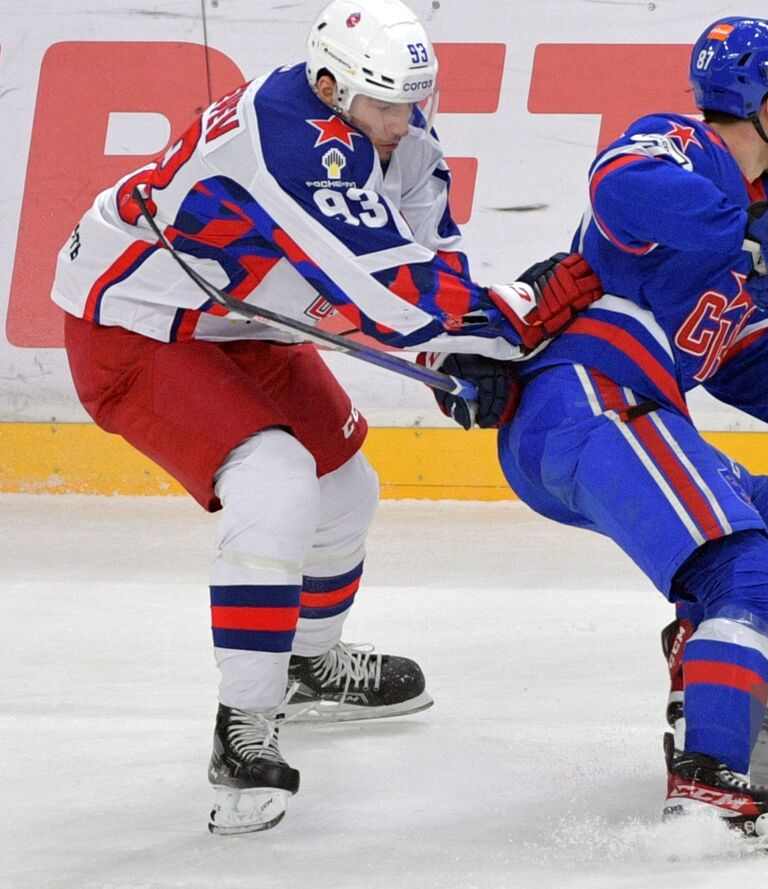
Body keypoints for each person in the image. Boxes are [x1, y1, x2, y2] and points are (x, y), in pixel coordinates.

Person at [50, 0, 601, 835]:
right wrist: (517, 316)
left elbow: (429, 257)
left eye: (414, 100)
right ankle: (243, 728)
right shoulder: (290, 135)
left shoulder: (396, 131)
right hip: (132, 320)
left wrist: (455, 358)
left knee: (345, 488)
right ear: (327, 86)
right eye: (384, 104)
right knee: (276, 486)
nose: (404, 121)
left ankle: (307, 665)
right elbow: (386, 292)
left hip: (234, 309)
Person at [437, 16, 768, 852]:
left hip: (618, 410)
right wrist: (742, 235)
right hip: (590, 398)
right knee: (756, 582)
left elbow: (726, 345)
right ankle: (707, 783)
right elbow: (618, 185)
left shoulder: (763, 210)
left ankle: (704, 695)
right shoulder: (685, 149)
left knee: (757, 513)